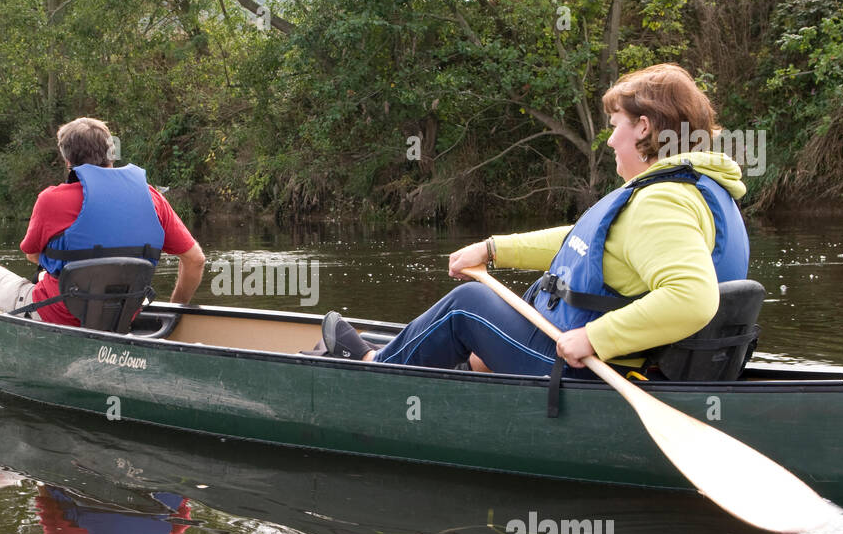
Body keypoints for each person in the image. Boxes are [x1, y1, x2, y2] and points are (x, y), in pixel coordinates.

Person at [321, 63, 751, 376]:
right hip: (638, 365)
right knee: (486, 333)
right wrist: (493, 250)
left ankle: (371, 369)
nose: (609, 140)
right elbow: (588, 241)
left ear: (643, 128)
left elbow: (692, 299)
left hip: (589, 369)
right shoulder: (704, 191)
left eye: (615, 125)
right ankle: (457, 366)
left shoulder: (663, 203)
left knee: (468, 306)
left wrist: (594, 339)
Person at [0, 116, 206, 325]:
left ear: (67, 160)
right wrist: (176, 310)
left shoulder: (51, 200)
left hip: (55, 313)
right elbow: (195, 260)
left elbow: (32, 255)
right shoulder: (152, 198)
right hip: (122, 315)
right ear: (111, 154)